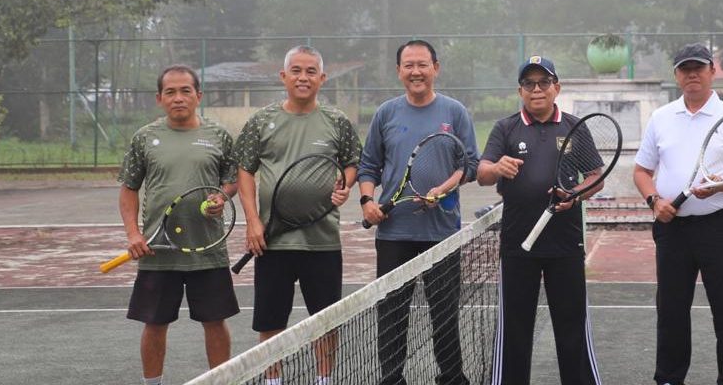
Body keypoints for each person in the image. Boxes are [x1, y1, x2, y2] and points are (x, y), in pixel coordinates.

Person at [633, 43, 723, 385]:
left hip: (720, 229)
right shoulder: (661, 118)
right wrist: (654, 201)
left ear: (711, 71)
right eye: (684, 68)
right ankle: (668, 378)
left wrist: (722, 186)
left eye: (698, 68)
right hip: (672, 230)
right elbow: (642, 171)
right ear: (676, 75)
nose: (692, 74)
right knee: (671, 312)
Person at [233, 46, 361, 382]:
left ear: (322, 78)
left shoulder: (337, 121)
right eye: (296, 71)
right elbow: (244, 170)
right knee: (271, 321)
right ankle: (273, 380)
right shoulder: (262, 121)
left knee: (325, 320)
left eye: (310, 71)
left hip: (322, 243)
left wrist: (344, 186)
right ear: (284, 76)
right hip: (272, 244)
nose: (303, 78)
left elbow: (351, 164)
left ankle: (324, 379)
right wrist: (252, 221)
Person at [357, 39, 480, 385]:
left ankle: (452, 378)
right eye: (408, 65)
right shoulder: (386, 113)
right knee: (392, 316)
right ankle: (392, 379)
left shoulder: (455, 112)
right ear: (399, 71)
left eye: (422, 64)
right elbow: (368, 167)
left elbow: (469, 164)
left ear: (435, 68)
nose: (416, 71)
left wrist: (442, 190)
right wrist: (367, 201)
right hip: (394, 235)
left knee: (444, 317)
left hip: (442, 235)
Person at [478, 56, 604, 385]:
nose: (537, 89)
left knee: (572, 327)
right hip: (519, 245)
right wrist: (497, 168)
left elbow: (595, 176)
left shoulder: (574, 126)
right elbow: (482, 173)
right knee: (515, 330)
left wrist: (574, 194)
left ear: (556, 88)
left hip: (566, 244)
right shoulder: (506, 128)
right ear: (520, 90)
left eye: (544, 83)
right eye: (529, 84)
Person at [117, 65, 239, 385]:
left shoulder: (219, 136)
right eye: (170, 92)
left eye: (186, 91)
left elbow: (231, 180)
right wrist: (133, 233)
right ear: (159, 98)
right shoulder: (144, 137)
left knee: (215, 321)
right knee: (155, 324)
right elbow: (128, 189)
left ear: (198, 96)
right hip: (157, 253)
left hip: (208, 250)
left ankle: (220, 381)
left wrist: (222, 198)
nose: (178, 98)